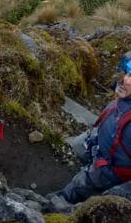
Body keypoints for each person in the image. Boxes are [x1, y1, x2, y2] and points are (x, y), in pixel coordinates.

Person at [49, 52, 131, 208]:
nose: (124, 79)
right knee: (78, 145)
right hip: (99, 147)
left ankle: (59, 206)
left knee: (73, 191)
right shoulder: (125, 98)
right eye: (127, 73)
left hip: (109, 170)